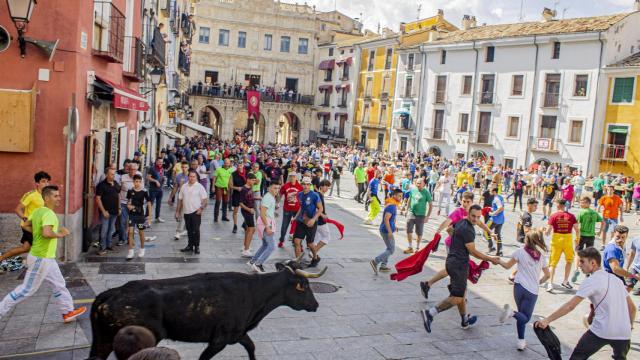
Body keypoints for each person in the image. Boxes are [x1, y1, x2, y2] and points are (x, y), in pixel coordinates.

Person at [0, 186, 87, 323]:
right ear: (47, 198)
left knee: (59, 284)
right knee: (26, 290)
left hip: (47, 258)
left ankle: (67, 312)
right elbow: (46, 233)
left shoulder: (37, 211)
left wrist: (38, 233)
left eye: (59, 195)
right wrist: (60, 234)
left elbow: (25, 225)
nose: (59, 198)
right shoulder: (49, 214)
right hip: (41, 258)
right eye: (56, 196)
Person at [535, 247, 635, 360]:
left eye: (582, 261)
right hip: (624, 333)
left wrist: (547, 320)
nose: (579, 265)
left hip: (601, 331)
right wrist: (629, 326)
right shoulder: (616, 280)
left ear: (593, 263)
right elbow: (632, 308)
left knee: (577, 357)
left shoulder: (591, 281)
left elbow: (570, 306)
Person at [420, 205, 500, 333]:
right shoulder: (468, 230)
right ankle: (430, 313)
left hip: (452, 261)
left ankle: (464, 320)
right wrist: (490, 259)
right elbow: (473, 252)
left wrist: (489, 232)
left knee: (461, 294)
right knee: (456, 297)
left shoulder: (462, 221)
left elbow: (450, 229)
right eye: (473, 216)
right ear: (469, 214)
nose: (476, 219)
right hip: (458, 266)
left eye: (478, 216)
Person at [419, 192, 495, 299]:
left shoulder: (472, 213)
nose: (465, 204)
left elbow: (480, 223)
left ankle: (450, 290)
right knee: (455, 269)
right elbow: (447, 221)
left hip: (462, 246)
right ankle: (456, 293)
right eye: (464, 201)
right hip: (453, 245)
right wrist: (438, 231)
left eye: (468, 202)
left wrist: (490, 232)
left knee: (455, 269)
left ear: (472, 202)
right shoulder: (458, 212)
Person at [497, 229, 550, 351]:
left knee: (522, 315)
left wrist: (498, 260)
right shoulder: (541, 256)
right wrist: (539, 282)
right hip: (532, 291)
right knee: (525, 317)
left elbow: (507, 266)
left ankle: (521, 341)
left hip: (518, 287)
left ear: (527, 239)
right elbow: (547, 275)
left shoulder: (519, 252)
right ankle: (511, 313)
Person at [0, 171, 50, 263]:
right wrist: (25, 218)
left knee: (25, 248)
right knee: (41, 247)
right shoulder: (31, 195)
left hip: (38, 226)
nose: (46, 183)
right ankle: (37, 266)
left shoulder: (46, 195)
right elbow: (18, 209)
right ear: (37, 183)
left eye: (47, 181)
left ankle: (1, 258)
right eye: (43, 181)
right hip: (29, 227)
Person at [545, 199, 580, 292]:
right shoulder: (571, 216)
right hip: (568, 240)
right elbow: (577, 229)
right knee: (569, 261)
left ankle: (550, 283)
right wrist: (577, 239)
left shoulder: (553, 216)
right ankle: (565, 280)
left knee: (552, 263)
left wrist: (544, 231)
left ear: (558, 205)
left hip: (556, 241)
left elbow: (548, 232)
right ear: (565, 205)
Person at [247, 181, 280, 273]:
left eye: (278, 188)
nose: (276, 190)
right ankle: (258, 264)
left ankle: (252, 261)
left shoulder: (270, 197)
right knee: (271, 247)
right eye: (274, 188)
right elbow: (262, 213)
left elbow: (266, 211)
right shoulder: (268, 198)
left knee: (265, 245)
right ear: (269, 188)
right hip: (266, 224)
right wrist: (267, 227)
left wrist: (273, 213)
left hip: (267, 222)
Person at [571, 196, 604, 283]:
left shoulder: (581, 212)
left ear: (588, 203)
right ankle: (588, 273)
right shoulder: (594, 213)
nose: (581, 204)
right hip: (591, 236)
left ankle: (576, 269)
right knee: (589, 255)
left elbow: (576, 225)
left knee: (578, 253)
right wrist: (600, 231)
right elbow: (603, 222)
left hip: (582, 235)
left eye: (583, 202)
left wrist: (576, 236)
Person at [370, 188, 403, 274]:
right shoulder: (392, 206)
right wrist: (389, 232)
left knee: (389, 248)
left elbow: (392, 218)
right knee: (391, 250)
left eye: (401, 196)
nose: (401, 198)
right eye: (399, 196)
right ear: (394, 195)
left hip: (387, 229)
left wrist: (394, 226)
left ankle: (383, 266)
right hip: (386, 231)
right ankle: (375, 261)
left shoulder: (393, 204)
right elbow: (386, 219)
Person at [175, 170, 208, 254]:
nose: (192, 178)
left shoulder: (200, 187)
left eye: (193, 176)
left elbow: (205, 200)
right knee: (189, 230)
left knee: (196, 230)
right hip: (186, 212)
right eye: (190, 176)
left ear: (196, 178)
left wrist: (201, 208)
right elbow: (180, 199)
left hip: (196, 212)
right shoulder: (184, 186)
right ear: (188, 177)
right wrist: (177, 212)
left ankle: (197, 246)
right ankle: (190, 245)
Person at [292, 177, 323, 259]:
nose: (306, 186)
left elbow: (320, 209)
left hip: (311, 222)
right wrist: (295, 217)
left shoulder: (315, 195)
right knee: (296, 241)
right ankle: (297, 261)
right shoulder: (299, 194)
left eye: (308, 184)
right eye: (304, 184)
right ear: (301, 185)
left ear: (310, 185)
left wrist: (313, 219)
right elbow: (301, 207)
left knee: (309, 244)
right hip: (301, 221)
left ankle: (315, 257)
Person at [95, 168, 121, 255]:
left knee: (111, 230)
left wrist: (119, 208)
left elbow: (118, 196)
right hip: (106, 212)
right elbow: (98, 199)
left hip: (115, 211)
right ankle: (102, 248)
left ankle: (108, 245)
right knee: (104, 231)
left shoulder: (116, 184)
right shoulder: (101, 185)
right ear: (107, 175)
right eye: (111, 174)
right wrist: (103, 211)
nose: (113, 176)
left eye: (114, 174)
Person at [126, 175, 152, 260]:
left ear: (141, 182)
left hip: (140, 216)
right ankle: (130, 251)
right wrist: (129, 206)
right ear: (133, 182)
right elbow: (128, 202)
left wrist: (150, 217)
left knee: (141, 232)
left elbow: (149, 203)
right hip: (132, 216)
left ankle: (142, 248)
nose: (137, 183)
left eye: (139, 181)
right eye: (136, 181)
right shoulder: (130, 191)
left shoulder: (144, 191)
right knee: (130, 232)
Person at [308, 179, 331, 267]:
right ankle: (313, 252)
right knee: (326, 237)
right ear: (321, 186)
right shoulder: (318, 195)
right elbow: (315, 207)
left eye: (328, 186)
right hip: (320, 221)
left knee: (316, 238)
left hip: (317, 220)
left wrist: (324, 213)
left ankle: (313, 254)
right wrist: (322, 214)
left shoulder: (319, 195)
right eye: (326, 186)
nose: (327, 188)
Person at [405, 178, 432, 253]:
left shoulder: (426, 192)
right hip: (411, 212)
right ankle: (410, 247)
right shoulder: (413, 190)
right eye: (417, 183)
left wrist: (427, 216)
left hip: (421, 215)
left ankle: (417, 248)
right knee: (408, 229)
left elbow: (430, 205)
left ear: (424, 184)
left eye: (420, 183)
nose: (418, 185)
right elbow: (410, 199)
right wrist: (407, 210)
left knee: (419, 232)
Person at [118, 163, 140, 246]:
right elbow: (118, 190)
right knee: (122, 222)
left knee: (132, 222)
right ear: (129, 170)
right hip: (123, 202)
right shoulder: (123, 177)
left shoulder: (139, 178)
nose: (133, 171)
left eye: (135, 170)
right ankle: (122, 239)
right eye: (132, 169)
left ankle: (130, 239)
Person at [279, 172, 302, 247]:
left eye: (294, 177)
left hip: (297, 210)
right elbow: (280, 194)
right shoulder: (285, 186)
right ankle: (281, 240)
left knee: (298, 227)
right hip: (287, 209)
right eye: (291, 177)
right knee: (284, 226)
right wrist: (277, 203)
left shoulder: (300, 186)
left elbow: (303, 196)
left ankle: (296, 242)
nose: (292, 178)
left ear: (296, 177)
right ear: (289, 177)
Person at [597, 185, 624, 249]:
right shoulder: (604, 198)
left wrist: (621, 216)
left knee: (612, 231)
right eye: (608, 190)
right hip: (605, 217)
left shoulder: (617, 198)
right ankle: (603, 244)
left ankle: (610, 244)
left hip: (614, 218)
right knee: (604, 231)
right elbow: (598, 206)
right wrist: (598, 212)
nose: (609, 191)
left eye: (611, 190)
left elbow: (621, 207)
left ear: (613, 190)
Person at [168, 161, 189, 241]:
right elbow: (175, 187)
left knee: (187, 214)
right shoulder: (178, 176)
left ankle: (185, 229)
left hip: (190, 198)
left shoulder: (191, 176)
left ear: (188, 167)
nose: (184, 169)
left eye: (185, 167)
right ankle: (178, 231)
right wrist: (170, 197)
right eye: (183, 167)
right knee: (180, 214)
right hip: (181, 197)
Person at [239, 173, 258, 258]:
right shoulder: (243, 189)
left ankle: (245, 246)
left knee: (249, 229)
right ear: (248, 180)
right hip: (247, 211)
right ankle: (246, 250)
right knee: (251, 229)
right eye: (253, 180)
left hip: (251, 210)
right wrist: (249, 209)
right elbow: (241, 203)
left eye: (254, 180)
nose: (254, 182)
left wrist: (258, 198)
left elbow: (251, 197)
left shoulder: (250, 187)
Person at [212, 158, 233, 222]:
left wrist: (231, 188)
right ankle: (216, 217)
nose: (226, 164)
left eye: (228, 163)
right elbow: (214, 178)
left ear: (229, 163)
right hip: (219, 187)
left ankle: (224, 216)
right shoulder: (219, 169)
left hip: (226, 188)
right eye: (225, 163)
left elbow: (230, 179)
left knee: (225, 202)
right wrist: (213, 187)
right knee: (218, 201)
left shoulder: (230, 170)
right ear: (223, 163)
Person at [147, 158, 166, 223]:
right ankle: (147, 217)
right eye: (159, 162)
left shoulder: (162, 169)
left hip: (160, 189)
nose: (160, 163)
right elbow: (148, 177)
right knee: (150, 203)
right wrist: (155, 181)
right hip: (153, 189)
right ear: (156, 162)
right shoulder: (152, 168)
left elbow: (161, 176)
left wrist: (163, 178)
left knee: (159, 204)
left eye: (161, 162)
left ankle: (157, 217)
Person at [230, 164, 247, 234]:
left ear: (243, 166)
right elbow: (230, 185)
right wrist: (237, 188)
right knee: (235, 211)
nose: (240, 167)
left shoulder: (247, 173)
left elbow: (250, 182)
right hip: (237, 194)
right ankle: (235, 225)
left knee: (246, 210)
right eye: (238, 166)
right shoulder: (233, 174)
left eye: (241, 165)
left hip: (245, 194)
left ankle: (245, 223)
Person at [488, 187, 505, 256]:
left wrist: (493, 213)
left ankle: (491, 246)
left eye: (491, 191)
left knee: (486, 231)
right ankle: (499, 251)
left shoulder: (496, 199)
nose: (490, 193)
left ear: (494, 192)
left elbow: (501, 208)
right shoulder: (500, 197)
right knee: (498, 235)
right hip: (501, 219)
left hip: (495, 219)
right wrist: (492, 209)